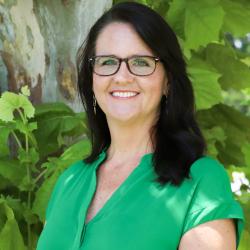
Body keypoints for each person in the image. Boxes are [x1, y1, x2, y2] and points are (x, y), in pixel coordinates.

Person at [37, 2, 245, 250]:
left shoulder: (201, 182)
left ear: (168, 81)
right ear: (91, 79)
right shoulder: (69, 181)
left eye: (141, 62)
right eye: (107, 62)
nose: (122, 76)